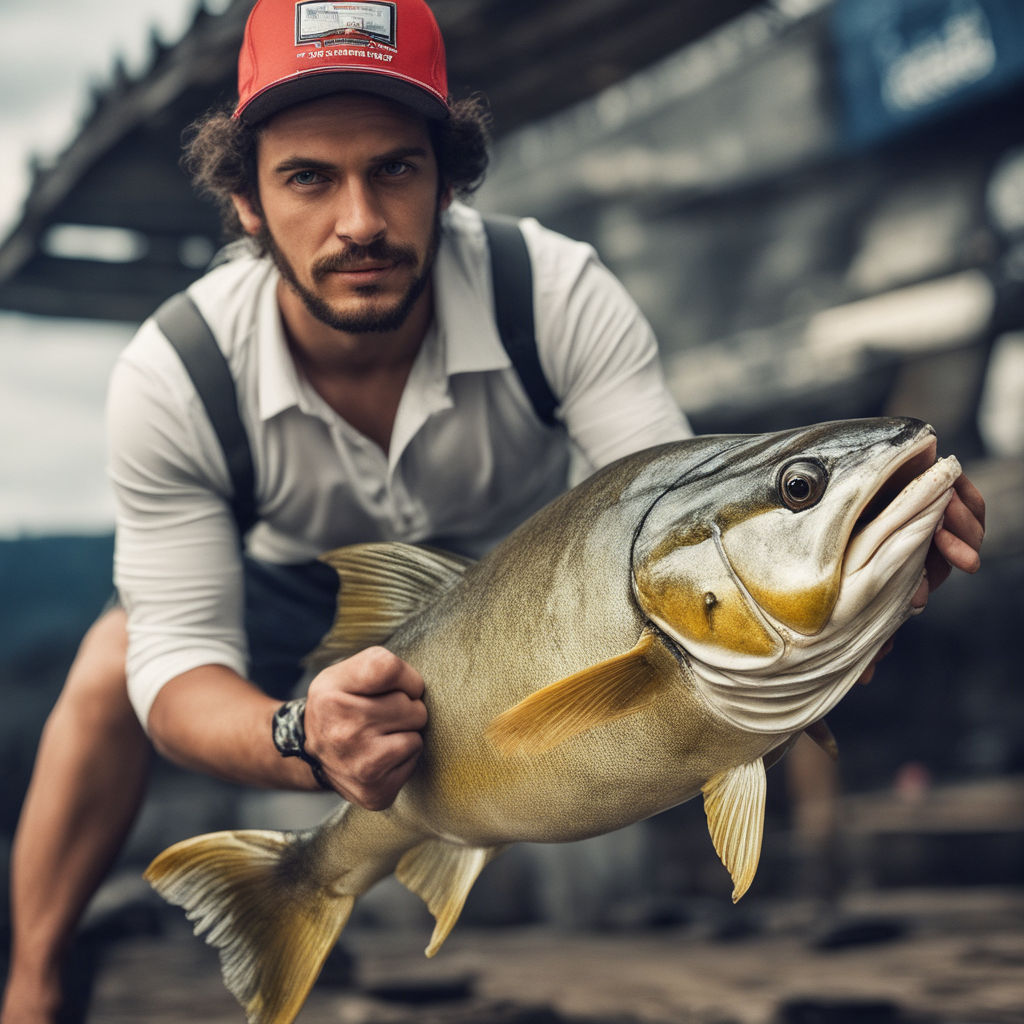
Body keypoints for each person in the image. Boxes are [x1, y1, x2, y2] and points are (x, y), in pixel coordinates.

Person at [0, 0, 986, 1021]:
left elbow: (672, 503)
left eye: (393, 167)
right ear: (244, 197)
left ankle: (805, 883)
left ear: (450, 177)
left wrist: (858, 592)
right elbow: (177, 668)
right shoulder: (175, 372)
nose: (359, 222)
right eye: (307, 176)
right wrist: (304, 729)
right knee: (115, 657)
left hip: (538, 581)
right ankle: (31, 981)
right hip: (305, 586)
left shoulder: (554, 292)